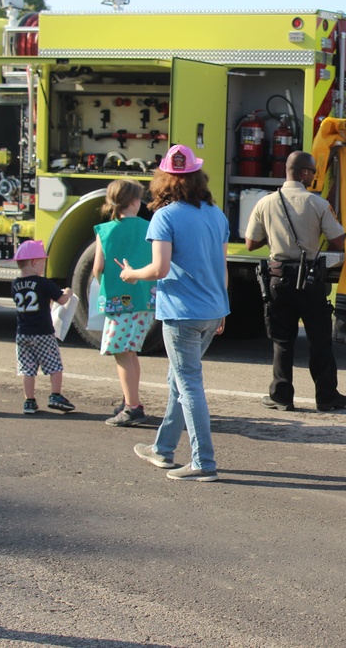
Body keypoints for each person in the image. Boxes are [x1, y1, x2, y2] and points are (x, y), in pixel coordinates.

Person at [121, 144, 229, 483]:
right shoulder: (216, 214)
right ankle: (163, 450)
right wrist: (223, 309)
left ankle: (203, 462)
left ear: (162, 181)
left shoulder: (165, 217)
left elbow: (159, 268)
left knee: (188, 385)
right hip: (212, 309)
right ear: (198, 177)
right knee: (179, 382)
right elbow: (221, 267)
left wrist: (131, 274)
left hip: (182, 313)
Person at [245, 151, 346, 413]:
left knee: (282, 339)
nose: (314, 176)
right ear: (304, 173)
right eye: (313, 172)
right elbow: (338, 241)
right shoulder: (317, 203)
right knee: (319, 338)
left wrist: (275, 234)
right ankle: (326, 396)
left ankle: (281, 396)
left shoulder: (264, 203)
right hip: (310, 279)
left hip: (278, 278)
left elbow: (250, 243)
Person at [92, 179, 156, 426]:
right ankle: (132, 400)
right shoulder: (148, 228)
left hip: (118, 301)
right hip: (145, 299)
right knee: (130, 351)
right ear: (134, 201)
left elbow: (98, 268)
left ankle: (132, 407)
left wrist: (107, 284)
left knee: (120, 352)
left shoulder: (105, 230)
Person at [10, 240, 75, 415]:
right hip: (43, 333)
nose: (43, 266)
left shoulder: (14, 284)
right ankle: (55, 396)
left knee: (27, 369)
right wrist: (67, 292)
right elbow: (62, 300)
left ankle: (29, 401)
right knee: (54, 365)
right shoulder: (43, 283)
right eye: (42, 262)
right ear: (34, 262)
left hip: (22, 333)